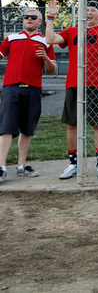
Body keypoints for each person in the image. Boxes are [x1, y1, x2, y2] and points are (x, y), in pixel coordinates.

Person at [46, 0, 98, 179]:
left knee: (97, 124)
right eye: (86, 10)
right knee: (72, 124)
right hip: (75, 83)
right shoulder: (72, 31)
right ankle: (73, 163)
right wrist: (51, 17)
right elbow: (50, 39)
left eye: (93, 10)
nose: (89, 13)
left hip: (97, 84)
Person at [0, 9, 56, 182]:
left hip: (32, 88)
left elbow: (52, 69)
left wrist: (46, 58)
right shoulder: (11, 38)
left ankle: (21, 165)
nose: (29, 19)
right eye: (26, 17)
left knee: (27, 128)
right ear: (23, 20)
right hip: (11, 87)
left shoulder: (46, 42)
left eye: (33, 17)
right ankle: (1, 167)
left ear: (40, 22)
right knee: (6, 127)